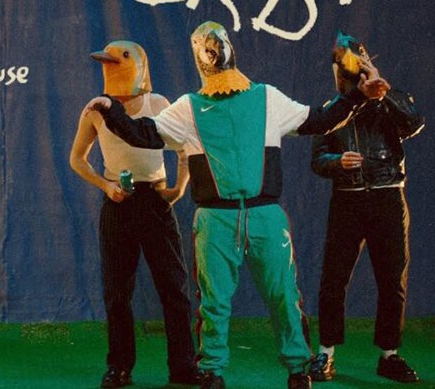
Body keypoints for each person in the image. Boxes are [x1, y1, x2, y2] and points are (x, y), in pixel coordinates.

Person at [85, 21, 390, 389]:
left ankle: (297, 368)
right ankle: (213, 369)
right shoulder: (189, 108)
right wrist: (112, 109)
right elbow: (143, 133)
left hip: (262, 216)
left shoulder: (265, 98)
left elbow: (320, 120)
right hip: (217, 220)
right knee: (215, 302)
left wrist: (358, 96)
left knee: (283, 295)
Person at [70, 41, 200, 387]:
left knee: (174, 288)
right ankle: (120, 366)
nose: (111, 65)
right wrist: (105, 186)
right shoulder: (96, 109)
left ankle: (183, 365)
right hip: (118, 204)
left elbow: (186, 148)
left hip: (155, 200)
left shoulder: (158, 104)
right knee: (117, 292)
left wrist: (178, 188)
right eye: (108, 61)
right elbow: (77, 159)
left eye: (120, 60)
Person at [308, 31, 424, 384]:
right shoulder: (333, 110)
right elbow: (317, 159)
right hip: (348, 199)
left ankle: (389, 354)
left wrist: (381, 90)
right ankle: (326, 352)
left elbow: (414, 123)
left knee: (392, 279)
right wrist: (337, 162)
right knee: (334, 279)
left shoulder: (391, 102)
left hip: (387, 196)